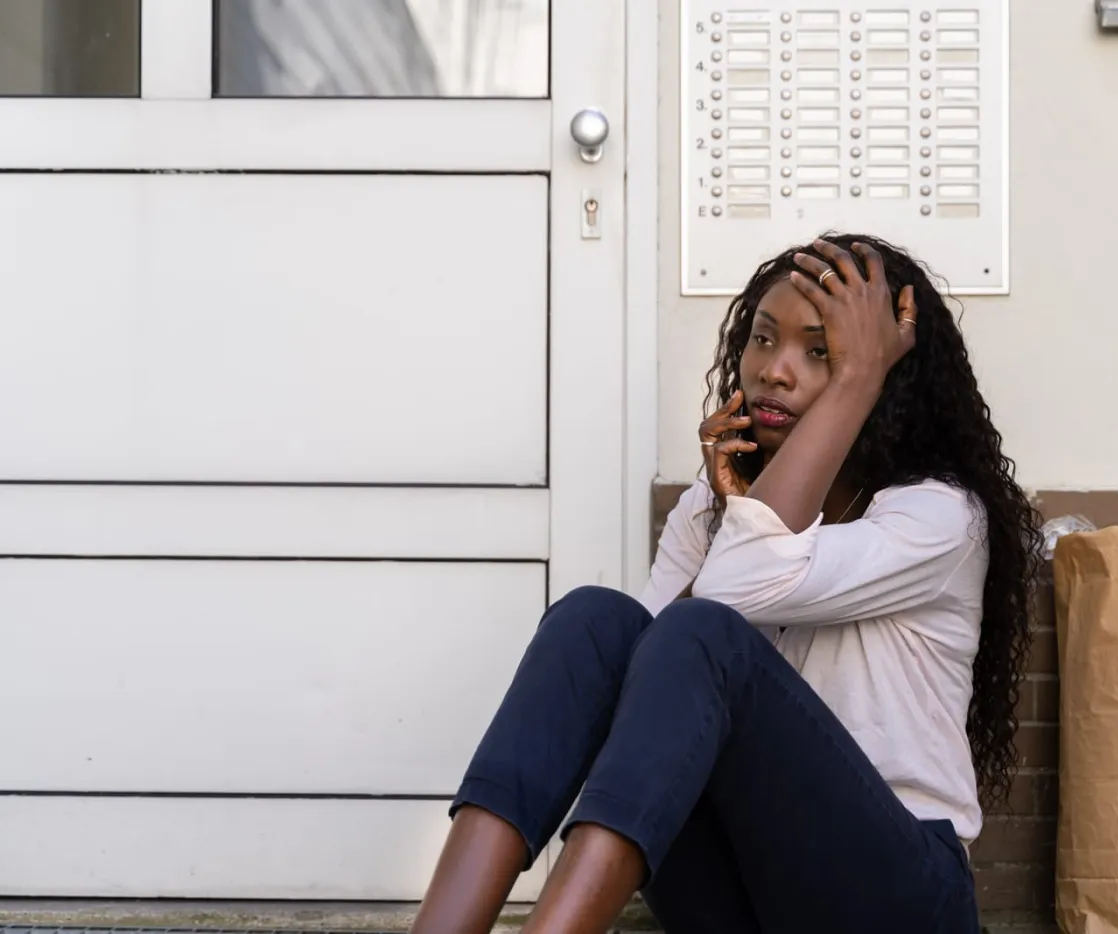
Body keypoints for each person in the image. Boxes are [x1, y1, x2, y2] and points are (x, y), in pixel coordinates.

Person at [410, 233, 1042, 934]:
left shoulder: (938, 515)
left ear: (884, 374)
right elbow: (637, 699)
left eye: (822, 351)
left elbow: (732, 595)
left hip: (895, 896)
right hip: (753, 893)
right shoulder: (714, 507)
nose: (776, 371)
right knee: (593, 623)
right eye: (764, 339)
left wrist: (858, 382)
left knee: (699, 632)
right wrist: (728, 509)